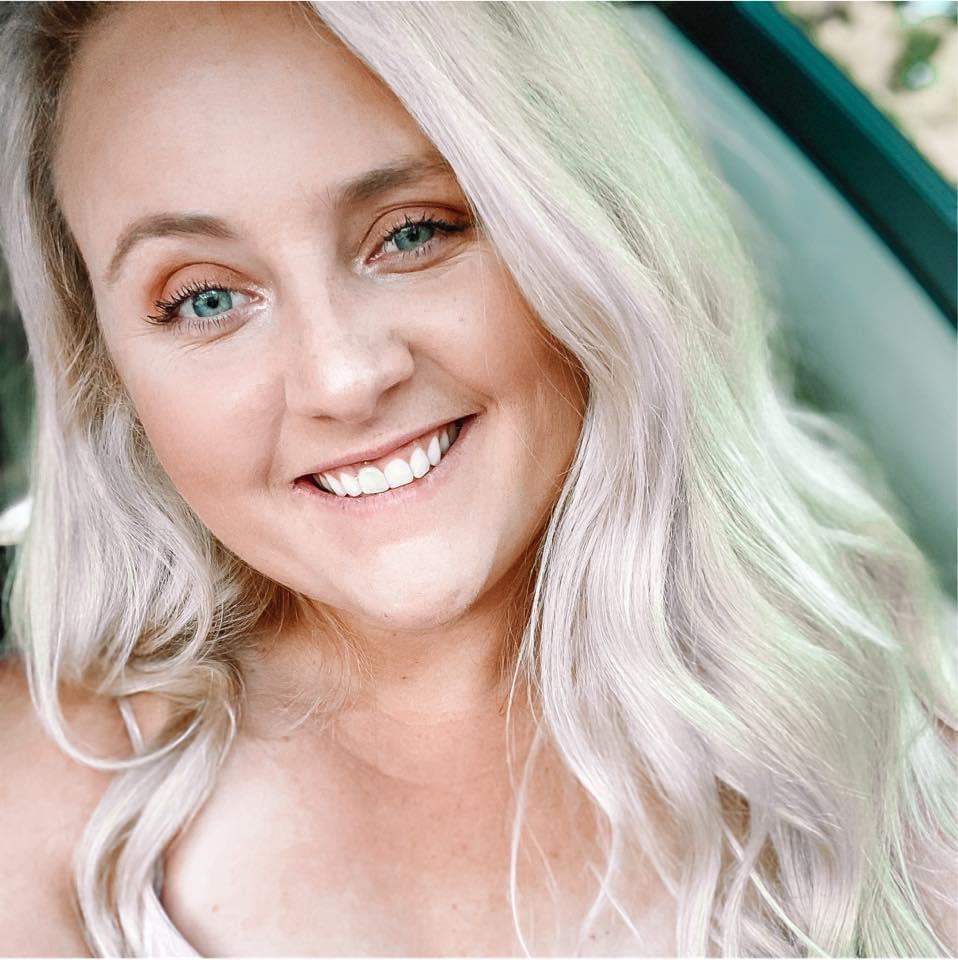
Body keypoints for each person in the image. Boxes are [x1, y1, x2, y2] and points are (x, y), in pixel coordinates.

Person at [0, 1, 954, 956]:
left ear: (590, 230)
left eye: (413, 234)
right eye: (207, 298)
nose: (342, 378)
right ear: (109, 372)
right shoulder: (38, 795)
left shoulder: (889, 733)